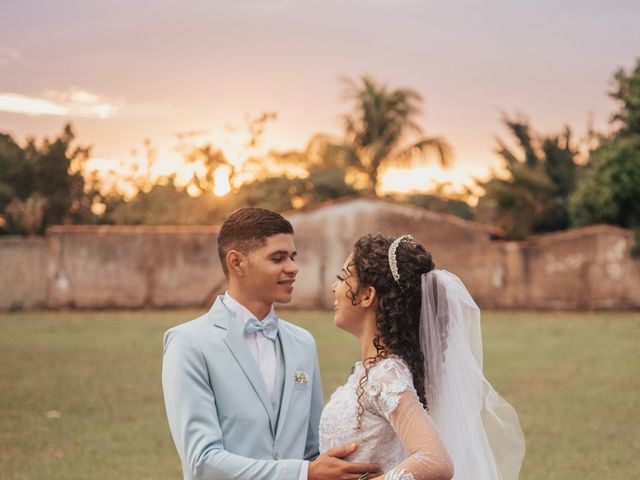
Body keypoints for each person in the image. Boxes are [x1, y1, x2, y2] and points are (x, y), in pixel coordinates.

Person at [162, 207, 380, 480]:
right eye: (278, 258)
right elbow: (202, 462)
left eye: (292, 257)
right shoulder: (189, 344)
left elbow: (313, 449)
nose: (292, 268)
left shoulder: (303, 343)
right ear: (237, 262)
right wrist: (303, 473)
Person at [321, 233, 525, 480]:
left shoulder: (386, 375)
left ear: (367, 296)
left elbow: (435, 462)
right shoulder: (373, 371)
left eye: (343, 278)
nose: (335, 287)